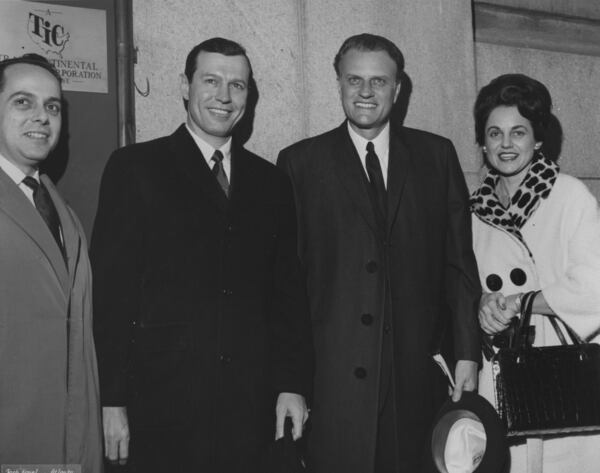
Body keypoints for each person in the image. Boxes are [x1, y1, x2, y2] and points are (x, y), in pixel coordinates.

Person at [90, 37, 313, 473]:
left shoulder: (271, 183)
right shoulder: (134, 168)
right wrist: (111, 400)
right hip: (160, 408)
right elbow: (111, 296)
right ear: (184, 86)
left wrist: (292, 384)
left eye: (238, 85)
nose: (224, 97)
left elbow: (288, 293)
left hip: (250, 410)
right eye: (211, 81)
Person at [277, 33, 481, 473]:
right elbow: (287, 286)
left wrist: (467, 351)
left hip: (414, 380)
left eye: (379, 81)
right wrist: (290, 381)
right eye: (354, 80)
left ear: (398, 88)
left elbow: (458, 262)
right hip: (331, 383)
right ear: (338, 84)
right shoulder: (299, 164)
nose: (365, 93)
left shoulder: (436, 156)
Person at [472, 73, 600, 472]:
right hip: (504, 370)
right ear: (482, 142)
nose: (506, 144)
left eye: (518, 132)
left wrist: (522, 301)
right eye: (495, 133)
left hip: (563, 367)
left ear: (538, 139)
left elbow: (593, 287)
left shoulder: (569, 195)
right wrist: (483, 305)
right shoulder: (473, 211)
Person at [0, 54, 102, 470]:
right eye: (23, 102)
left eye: (52, 107)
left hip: (66, 443)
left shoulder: (59, 208)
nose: (41, 117)